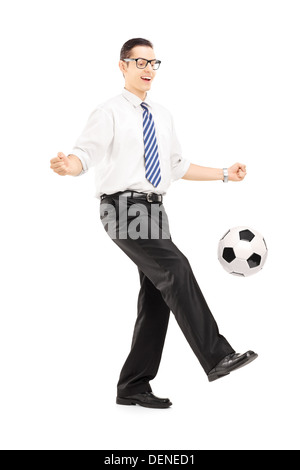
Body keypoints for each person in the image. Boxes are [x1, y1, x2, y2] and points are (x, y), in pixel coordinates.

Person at [50, 38, 258, 409]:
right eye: (140, 62)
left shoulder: (161, 115)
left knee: (158, 296)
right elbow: (86, 152)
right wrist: (72, 166)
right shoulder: (109, 111)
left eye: (153, 63)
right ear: (123, 66)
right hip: (123, 208)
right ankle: (216, 355)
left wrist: (225, 173)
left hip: (155, 211)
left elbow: (176, 166)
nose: (148, 70)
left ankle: (132, 385)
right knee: (176, 268)